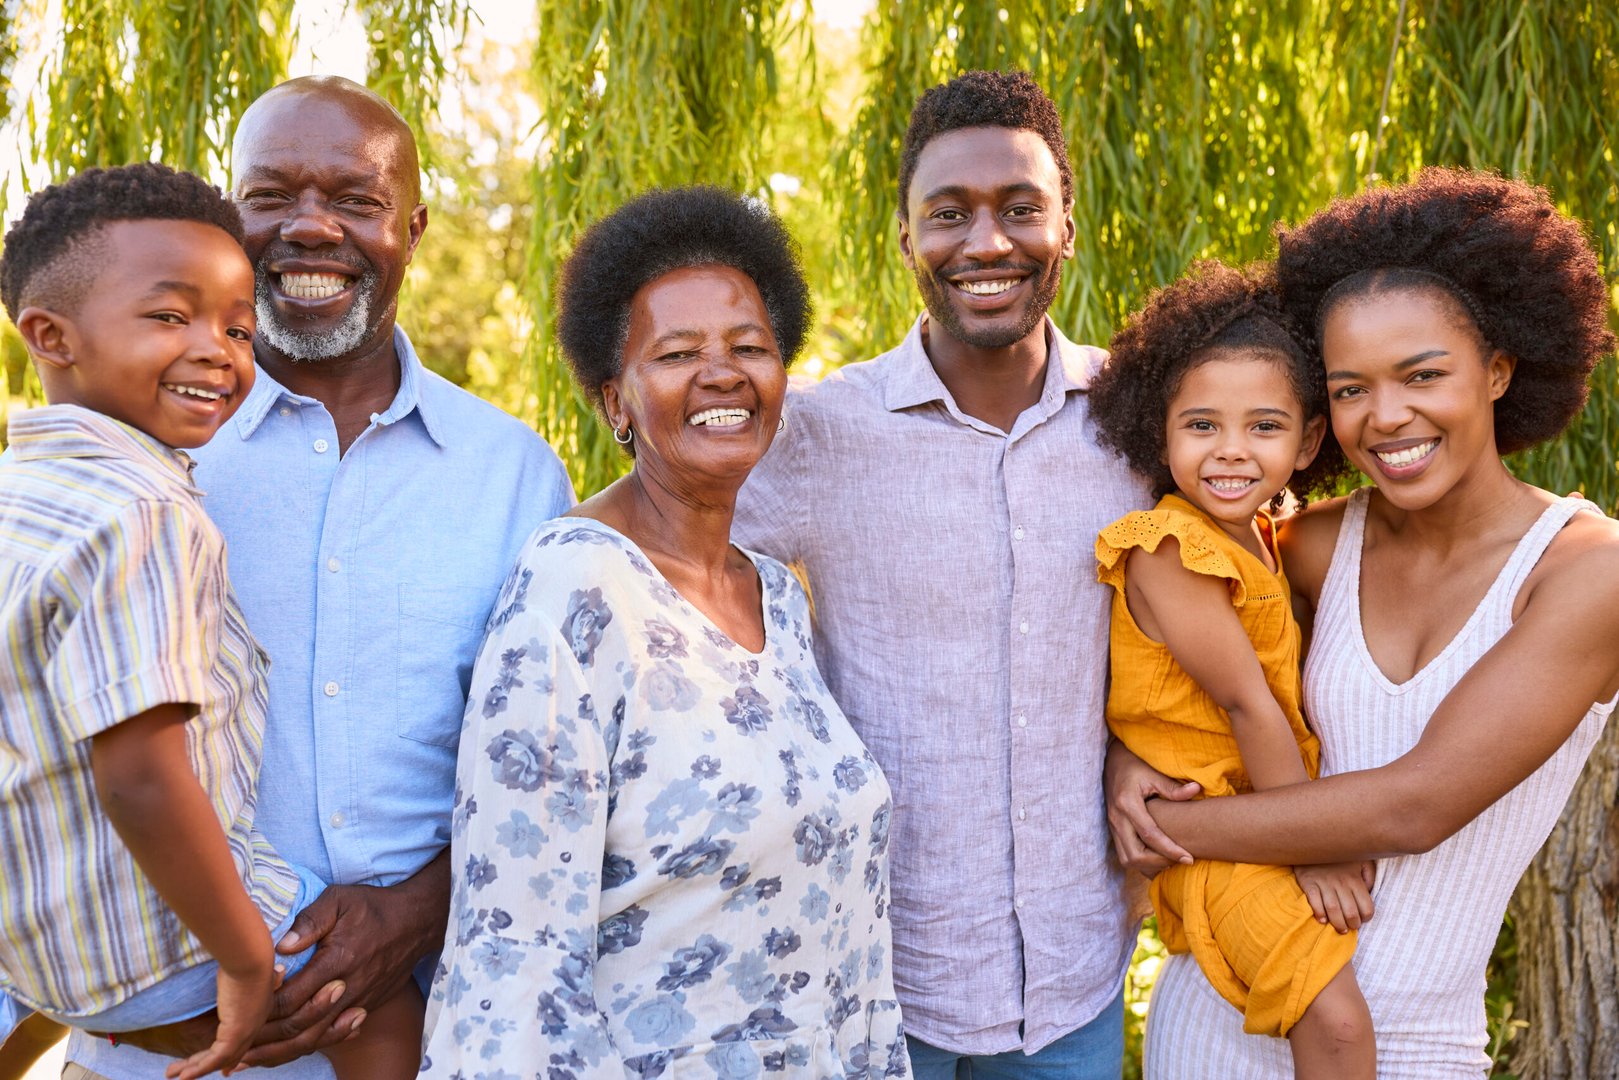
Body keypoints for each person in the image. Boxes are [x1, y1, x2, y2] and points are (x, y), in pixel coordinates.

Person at [63, 78, 575, 1080]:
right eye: (273, 196)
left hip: (427, 1031)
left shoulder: (514, 474)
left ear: (412, 229)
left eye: (353, 199)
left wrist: (412, 915)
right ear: (228, 216)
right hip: (157, 1047)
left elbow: (553, 763)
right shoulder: (137, 461)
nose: (310, 227)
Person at [1105, 169, 1619, 1077]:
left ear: (1498, 370)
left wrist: (1163, 825)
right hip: (1217, 1014)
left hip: (1410, 1047)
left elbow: (1410, 806)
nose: (1386, 417)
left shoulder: (1586, 573)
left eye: (1422, 375)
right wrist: (1128, 763)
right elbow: (1186, 670)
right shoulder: (1304, 544)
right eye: (1348, 389)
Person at [418, 186, 909, 1080]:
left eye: (749, 349)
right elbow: (515, 958)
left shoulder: (775, 599)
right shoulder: (575, 592)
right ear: (617, 401)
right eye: (677, 353)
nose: (721, 373)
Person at [734, 70, 1150, 1077]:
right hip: (873, 976)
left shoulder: (1141, 418)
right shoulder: (819, 433)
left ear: (1066, 228)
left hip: (1074, 979)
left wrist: (1143, 749)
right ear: (905, 239)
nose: (985, 243)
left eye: (1018, 210)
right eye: (947, 214)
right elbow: (669, 579)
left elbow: (1233, 587)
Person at [0, 163, 418, 1080]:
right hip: (162, 940)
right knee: (378, 1000)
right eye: (169, 317)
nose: (220, 351)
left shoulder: (21, 494)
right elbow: (142, 778)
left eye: (237, 326)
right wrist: (241, 956)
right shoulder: (143, 513)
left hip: (42, 939)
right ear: (49, 334)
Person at [1086, 261, 1373, 1076]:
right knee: (1340, 1024)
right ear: (1162, 431)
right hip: (1221, 841)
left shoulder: (1260, 536)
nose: (1230, 453)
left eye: (1263, 428)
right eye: (1202, 426)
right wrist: (1312, 847)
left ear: (1309, 440)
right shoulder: (1168, 549)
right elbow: (1248, 704)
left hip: (1253, 822)